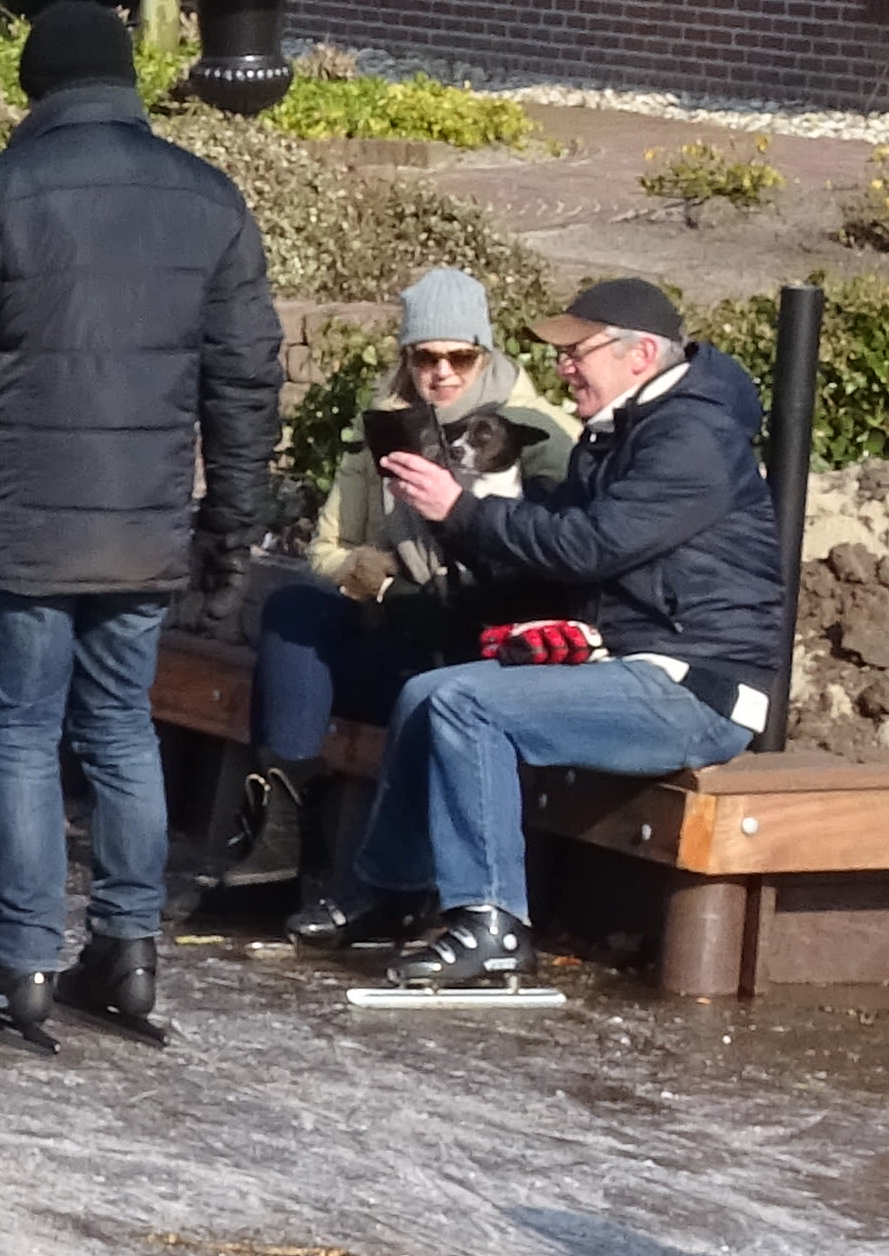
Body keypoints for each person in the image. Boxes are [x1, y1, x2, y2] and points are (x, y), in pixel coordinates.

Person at [0, 0, 281, 1052]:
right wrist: (229, 534)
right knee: (120, 728)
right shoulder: (211, 201)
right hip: (141, 527)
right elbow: (245, 390)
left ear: (35, 87)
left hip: (20, 521)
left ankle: (21, 959)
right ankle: (129, 950)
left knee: (19, 733)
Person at [325, 278, 787, 987]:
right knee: (427, 692)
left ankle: (491, 924)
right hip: (626, 668)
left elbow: (590, 546)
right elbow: (547, 561)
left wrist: (460, 511)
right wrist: (452, 542)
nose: (564, 367)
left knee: (466, 705)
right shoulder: (615, 434)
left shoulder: (692, 437)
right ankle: (390, 893)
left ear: (638, 356)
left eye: (578, 351)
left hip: (696, 686)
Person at [234, 266, 579, 914]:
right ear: (407, 358)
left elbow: (559, 556)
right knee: (295, 613)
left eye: (460, 356)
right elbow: (326, 553)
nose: (443, 371)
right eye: (426, 357)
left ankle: (400, 893)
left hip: (480, 637)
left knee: (435, 678)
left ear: (486, 353)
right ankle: (274, 849)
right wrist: (367, 568)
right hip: (398, 620)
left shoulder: (536, 432)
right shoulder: (386, 429)